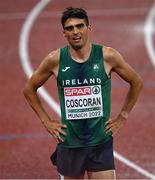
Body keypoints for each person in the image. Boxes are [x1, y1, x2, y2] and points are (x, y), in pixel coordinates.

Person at [23, 7, 143, 179]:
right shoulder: (55, 59)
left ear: (89, 28)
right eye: (70, 28)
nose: (76, 31)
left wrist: (122, 116)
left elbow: (136, 82)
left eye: (80, 26)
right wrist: (46, 121)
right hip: (70, 144)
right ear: (64, 33)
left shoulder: (107, 56)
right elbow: (29, 89)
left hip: (100, 144)